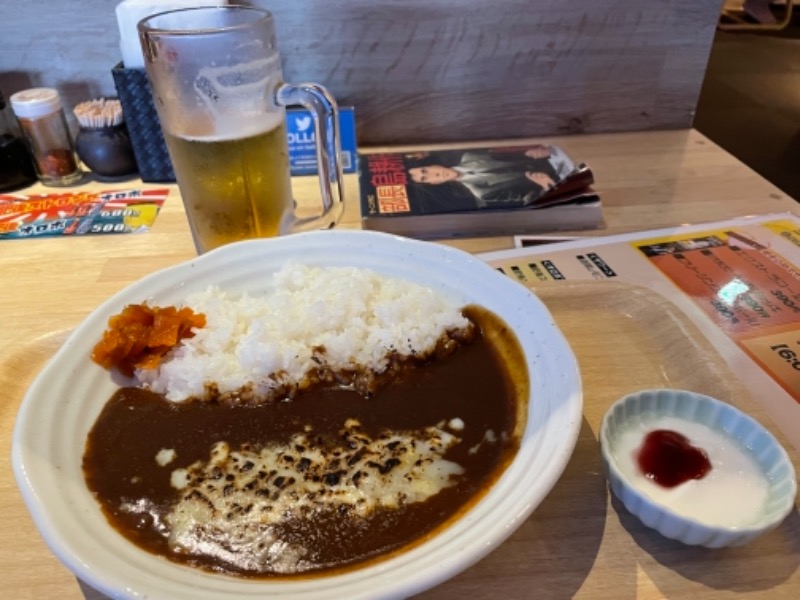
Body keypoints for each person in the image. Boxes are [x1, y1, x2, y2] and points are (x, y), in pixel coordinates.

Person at [407, 145, 570, 209]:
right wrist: (544, 187)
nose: (433, 174)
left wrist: (530, 151)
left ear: (430, 164)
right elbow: (529, 202)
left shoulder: (469, 154)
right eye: (426, 178)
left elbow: (511, 150)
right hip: (565, 183)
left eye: (425, 170)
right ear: (434, 184)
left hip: (558, 155)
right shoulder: (482, 194)